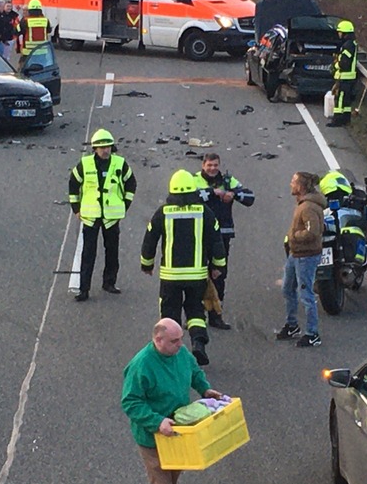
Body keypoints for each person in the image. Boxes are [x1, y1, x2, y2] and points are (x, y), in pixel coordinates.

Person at [121, 318, 226, 484]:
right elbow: (131, 402)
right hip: (153, 437)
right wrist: (157, 422)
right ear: (158, 340)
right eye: (174, 341)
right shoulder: (141, 365)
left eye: (181, 339)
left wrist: (205, 389)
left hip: (178, 432)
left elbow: (194, 371)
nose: (181, 345)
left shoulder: (181, 354)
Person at [141, 170, 226, 367]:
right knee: (196, 310)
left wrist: (147, 264)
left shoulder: (163, 213)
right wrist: (217, 266)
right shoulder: (204, 212)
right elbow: (216, 241)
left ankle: (171, 356)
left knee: (170, 313)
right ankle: (198, 344)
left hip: (171, 276)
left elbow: (150, 240)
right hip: (196, 275)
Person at [68, 128, 136, 301]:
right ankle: (84, 289)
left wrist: (124, 205)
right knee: (88, 253)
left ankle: (109, 283)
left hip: (111, 217)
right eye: (102, 147)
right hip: (91, 217)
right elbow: (73, 184)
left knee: (112, 252)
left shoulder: (120, 163)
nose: (106, 150)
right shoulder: (85, 164)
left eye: (108, 147)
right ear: (95, 149)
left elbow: (131, 184)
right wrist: (76, 208)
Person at [195, 153, 254, 330]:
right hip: (200, 235)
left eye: (215, 165)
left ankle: (216, 315)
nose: (213, 168)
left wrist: (233, 194)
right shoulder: (194, 179)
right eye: (209, 165)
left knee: (219, 275)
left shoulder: (228, 180)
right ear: (203, 165)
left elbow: (250, 198)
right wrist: (212, 192)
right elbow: (188, 197)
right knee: (196, 276)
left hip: (222, 236)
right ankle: (196, 315)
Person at [276, 171, 326, 347]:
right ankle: (292, 325)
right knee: (287, 288)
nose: (291, 184)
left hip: (305, 256)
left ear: (301, 186)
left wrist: (295, 236)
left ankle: (313, 334)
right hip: (295, 254)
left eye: (293, 181)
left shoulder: (308, 208)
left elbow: (313, 231)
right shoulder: (303, 204)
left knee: (306, 295)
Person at [328, 19, 358, 126]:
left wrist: (335, 65)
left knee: (340, 100)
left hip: (345, 77)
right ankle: (346, 119)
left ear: (344, 33)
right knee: (346, 102)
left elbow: (344, 63)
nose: (339, 34)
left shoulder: (348, 45)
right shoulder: (351, 44)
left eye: (340, 32)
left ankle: (337, 121)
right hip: (349, 78)